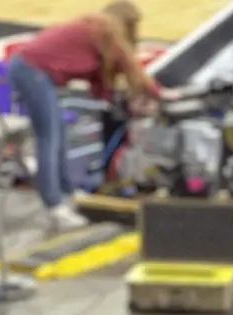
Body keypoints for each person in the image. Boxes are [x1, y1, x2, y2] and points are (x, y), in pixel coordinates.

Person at [9, 1, 159, 231]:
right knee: (48, 137)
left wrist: (115, 99)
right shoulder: (107, 31)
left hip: (33, 71)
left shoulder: (96, 33)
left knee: (57, 133)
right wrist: (161, 94)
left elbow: (99, 82)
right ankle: (54, 206)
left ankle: (67, 193)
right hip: (32, 71)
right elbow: (133, 71)